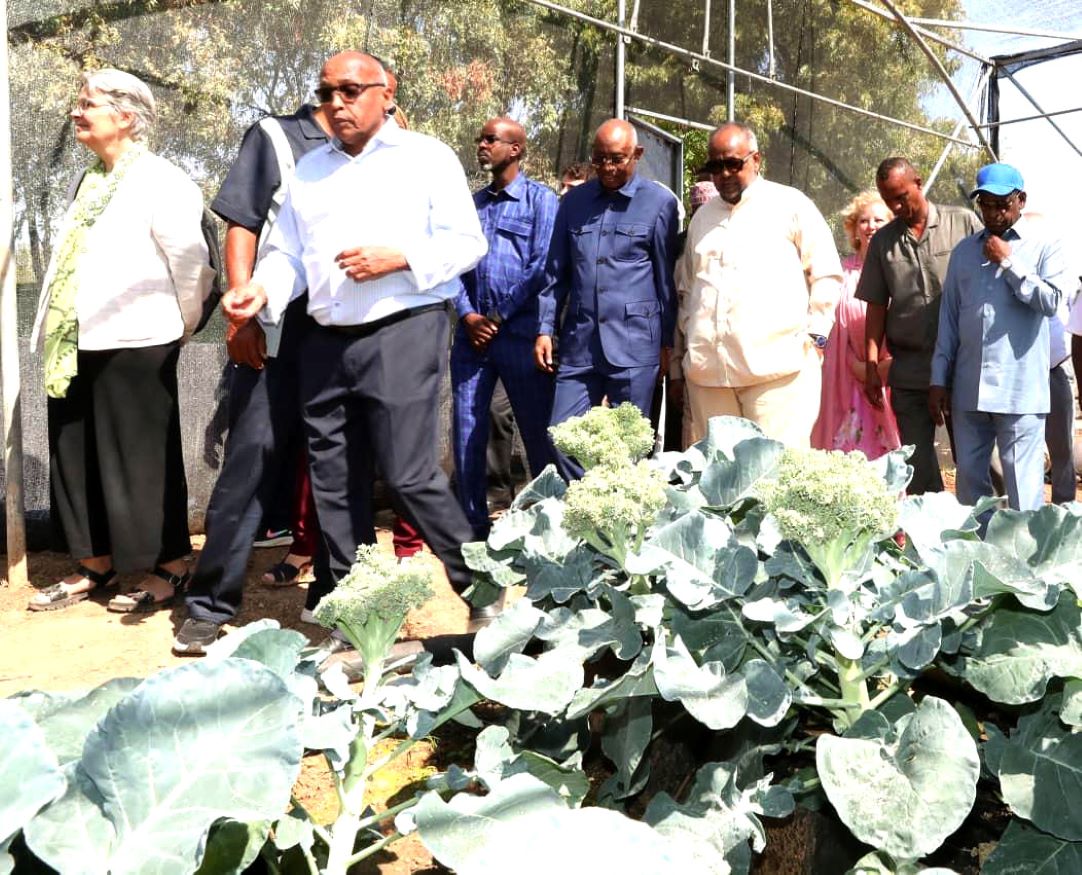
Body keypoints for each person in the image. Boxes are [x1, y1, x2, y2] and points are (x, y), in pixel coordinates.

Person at [221, 52, 489, 623]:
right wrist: (261, 291)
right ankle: (357, 610)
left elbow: (467, 242)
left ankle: (480, 589)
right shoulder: (309, 172)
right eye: (326, 93)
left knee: (407, 472)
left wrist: (401, 258)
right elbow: (288, 253)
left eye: (349, 90)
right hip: (324, 338)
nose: (336, 103)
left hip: (403, 329)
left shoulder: (427, 158)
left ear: (386, 94)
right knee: (334, 482)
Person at [28, 69, 212, 613]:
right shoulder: (88, 180)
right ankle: (95, 565)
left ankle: (172, 566)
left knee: (141, 458)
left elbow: (191, 265)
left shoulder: (163, 180)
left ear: (126, 116)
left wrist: (179, 325)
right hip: (75, 338)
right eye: (78, 102)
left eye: (88, 104)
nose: (76, 113)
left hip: (138, 339)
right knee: (75, 449)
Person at [173, 84, 335, 652]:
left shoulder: (385, 153)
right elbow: (240, 223)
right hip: (278, 336)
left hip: (348, 344)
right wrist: (241, 319)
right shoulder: (276, 136)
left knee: (339, 473)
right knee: (248, 466)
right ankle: (209, 602)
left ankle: (337, 599)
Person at [671, 122, 842, 447]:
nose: (724, 173)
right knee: (715, 481)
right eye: (715, 166)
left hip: (776, 375)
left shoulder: (790, 205)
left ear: (756, 160)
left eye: (733, 163)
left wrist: (816, 335)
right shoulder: (703, 218)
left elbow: (826, 274)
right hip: (709, 377)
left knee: (776, 480)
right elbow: (689, 290)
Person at [536, 119, 678, 477]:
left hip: (635, 346)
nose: (609, 168)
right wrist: (544, 328)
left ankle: (623, 524)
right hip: (580, 343)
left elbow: (665, 282)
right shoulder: (574, 203)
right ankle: (591, 506)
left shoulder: (659, 203)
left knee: (629, 447)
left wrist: (667, 344)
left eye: (618, 159)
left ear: (638, 155)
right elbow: (557, 272)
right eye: (600, 160)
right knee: (562, 435)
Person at [930, 163, 1066, 514]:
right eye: (986, 204)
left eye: (1002, 204)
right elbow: (949, 321)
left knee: (1024, 493)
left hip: (1019, 392)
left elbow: (1050, 302)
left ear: (1021, 200)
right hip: (969, 391)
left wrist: (1010, 263)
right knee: (971, 494)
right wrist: (938, 379)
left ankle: (1023, 566)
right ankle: (975, 561)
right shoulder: (963, 253)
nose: (993, 213)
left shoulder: (1044, 246)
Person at [451, 117, 558, 539]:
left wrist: (497, 316)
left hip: (520, 336)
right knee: (466, 428)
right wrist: (466, 314)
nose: (481, 145)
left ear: (515, 149)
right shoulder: (470, 206)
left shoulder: (540, 201)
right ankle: (471, 526)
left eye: (490, 139)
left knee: (537, 433)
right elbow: (452, 262)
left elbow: (541, 267)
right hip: (471, 338)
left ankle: (550, 523)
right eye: (480, 138)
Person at [856, 157, 983, 493]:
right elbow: (876, 307)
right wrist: (871, 364)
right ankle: (931, 538)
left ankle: (989, 534)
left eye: (902, 196)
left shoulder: (964, 222)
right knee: (918, 463)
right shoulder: (884, 243)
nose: (897, 206)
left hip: (962, 365)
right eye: (889, 200)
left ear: (919, 182)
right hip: (910, 369)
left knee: (974, 460)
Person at [812, 191, 901, 458]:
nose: (871, 226)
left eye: (878, 220)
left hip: (892, 382)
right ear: (854, 228)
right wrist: (856, 366)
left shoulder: (901, 271)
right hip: (847, 382)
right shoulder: (841, 275)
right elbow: (834, 329)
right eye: (864, 220)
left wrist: (885, 367)